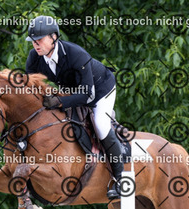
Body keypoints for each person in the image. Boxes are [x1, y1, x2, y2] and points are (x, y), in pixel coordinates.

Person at [25, 15, 124, 199]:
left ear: (54, 37)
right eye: (33, 41)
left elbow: (88, 95)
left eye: (39, 39)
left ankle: (121, 179)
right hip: (72, 91)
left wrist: (59, 102)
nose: (35, 44)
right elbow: (30, 90)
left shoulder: (76, 54)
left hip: (100, 90)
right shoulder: (34, 58)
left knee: (101, 125)